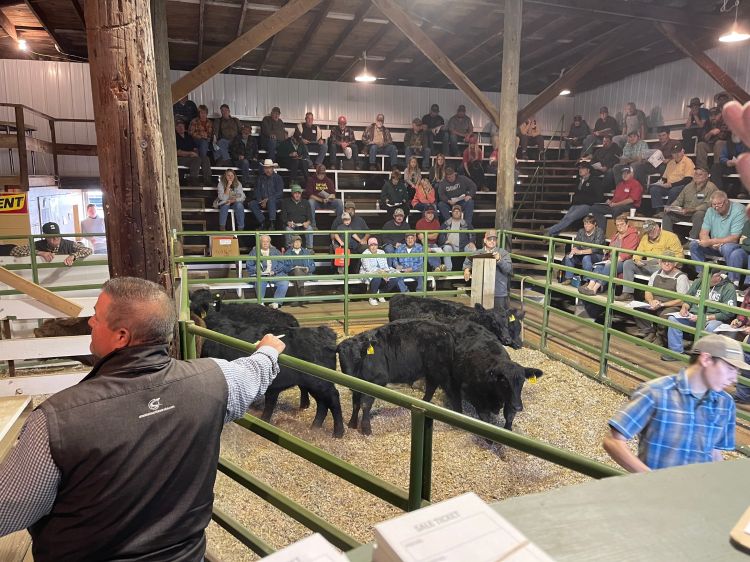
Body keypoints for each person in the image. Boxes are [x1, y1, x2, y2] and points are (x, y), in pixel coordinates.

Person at [0, 276, 284, 560]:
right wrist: (269, 350)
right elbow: (253, 372)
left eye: (97, 317)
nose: (90, 323)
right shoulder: (215, 380)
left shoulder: (55, 421)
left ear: (121, 337)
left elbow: (7, 513)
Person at [603, 333, 739, 472]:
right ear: (706, 359)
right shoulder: (655, 391)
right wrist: (652, 480)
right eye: (730, 368)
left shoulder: (725, 403)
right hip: (656, 490)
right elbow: (613, 441)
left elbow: (714, 452)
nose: (734, 379)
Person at [664, 271, 737, 359]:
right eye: (703, 276)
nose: (704, 279)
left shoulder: (728, 287)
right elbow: (688, 299)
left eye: (707, 277)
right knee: (673, 319)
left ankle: (701, 358)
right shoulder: (699, 281)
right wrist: (685, 307)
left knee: (711, 327)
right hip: (693, 315)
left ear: (718, 276)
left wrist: (704, 318)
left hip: (712, 319)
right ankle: (675, 352)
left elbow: (728, 313)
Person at [615, 220, 683, 303]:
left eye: (652, 230)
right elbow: (637, 254)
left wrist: (664, 262)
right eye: (648, 232)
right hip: (648, 264)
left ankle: (659, 298)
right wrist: (637, 260)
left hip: (664, 264)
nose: (650, 233)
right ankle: (627, 293)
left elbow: (679, 256)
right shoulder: (645, 237)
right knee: (628, 263)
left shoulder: (670, 237)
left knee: (661, 267)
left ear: (657, 227)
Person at [689, 190, 746, 284]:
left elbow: (735, 237)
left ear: (726, 201)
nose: (716, 207)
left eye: (719, 204)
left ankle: (732, 282)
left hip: (733, 245)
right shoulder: (710, 211)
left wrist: (712, 242)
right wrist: (706, 241)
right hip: (715, 245)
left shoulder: (739, 210)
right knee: (694, 244)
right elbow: (703, 233)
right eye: (713, 204)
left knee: (727, 247)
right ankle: (702, 276)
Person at [633, 251, 690, 344]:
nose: (667, 264)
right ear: (659, 262)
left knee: (664, 316)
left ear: (675, 263)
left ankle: (661, 337)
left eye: (670, 261)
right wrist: (651, 301)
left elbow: (682, 300)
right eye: (664, 261)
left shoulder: (681, 277)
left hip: (671, 305)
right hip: (656, 302)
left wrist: (662, 304)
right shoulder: (656, 274)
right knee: (638, 308)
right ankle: (649, 332)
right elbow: (648, 291)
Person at [578, 214, 639, 296]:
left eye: (622, 224)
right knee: (599, 266)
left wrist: (614, 259)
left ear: (627, 224)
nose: (619, 227)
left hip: (623, 261)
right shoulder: (616, 235)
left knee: (608, 266)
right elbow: (611, 248)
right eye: (617, 225)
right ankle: (589, 287)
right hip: (611, 259)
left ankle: (595, 289)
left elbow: (629, 252)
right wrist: (607, 252)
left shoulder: (633, 235)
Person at [546, 161, 604, 236]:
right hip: (576, 204)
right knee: (565, 218)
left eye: (582, 168)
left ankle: (549, 231)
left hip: (586, 205)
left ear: (588, 170)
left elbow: (599, 196)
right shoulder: (579, 180)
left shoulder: (595, 181)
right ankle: (552, 234)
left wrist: (587, 201)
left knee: (570, 218)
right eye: (579, 168)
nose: (580, 170)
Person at [660, 166, 718, 240]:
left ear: (707, 176)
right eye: (696, 174)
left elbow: (708, 205)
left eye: (700, 174)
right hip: (686, 213)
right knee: (667, 215)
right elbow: (679, 200)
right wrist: (671, 207)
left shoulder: (711, 187)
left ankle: (692, 240)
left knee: (700, 214)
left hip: (699, 215)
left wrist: (692, 209)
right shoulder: (688, 186)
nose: (697, 176)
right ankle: (669, 240)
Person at [463, 229, 512, 312]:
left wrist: (499, 260)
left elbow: (508, 269)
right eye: (490, 239)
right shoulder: (478, 253)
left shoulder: (503, 253)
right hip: (480, 291)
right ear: (485, 240)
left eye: (494, 239)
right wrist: (466, 269)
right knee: (480, 316)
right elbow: (468, 261)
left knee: (500, 317)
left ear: (497, 241)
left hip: (498, 292)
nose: (492, 241)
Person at [11, 222, 92, 266]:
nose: (55, 238)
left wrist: (74, 256)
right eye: (51, 236)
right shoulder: (38, 245)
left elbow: (88, 250)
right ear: (45, 236)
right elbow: (15, 250)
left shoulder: (69, 244)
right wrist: (39, 252)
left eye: (57, 235)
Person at [360, 237, 408, 305]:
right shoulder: (365, 254)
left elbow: (385, 266)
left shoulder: (381, 252)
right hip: (369, 273)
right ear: (368, 246)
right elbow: (368, 269)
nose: (373, 247)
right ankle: (372, 297)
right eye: (371, 245)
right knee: (377, 278)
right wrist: (381, 272)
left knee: (395, 278)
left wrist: (385, 273)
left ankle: (380, 293)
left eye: (375, 245)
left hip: (382, 272)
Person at [246, 234, 290, 308]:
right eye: (263, 241)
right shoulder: (254, 252)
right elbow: (249, 265)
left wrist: (274, 271)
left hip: (274, 274)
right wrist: (257, 271)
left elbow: (281, 263)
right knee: (260, 282)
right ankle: (261, 302)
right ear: (260, 242)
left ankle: (276, 303)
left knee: (284, 282)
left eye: (267, 241)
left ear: (270, 242)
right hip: (261, 275)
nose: (265, 243)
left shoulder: (275, 251)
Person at [650, 144, 695, 216]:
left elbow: (688, 179)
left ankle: (668, 211)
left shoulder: (688, 161)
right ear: (671, 154)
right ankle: (659, 210)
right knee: (654, 189)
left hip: (682, 186)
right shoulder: (670, 163)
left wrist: (671, 185)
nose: (676, 155)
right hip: (669, 185)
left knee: (673, 191)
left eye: (678, 152)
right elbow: (664, 178)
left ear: (682, 152)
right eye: (674, 153)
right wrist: (660, 183)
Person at [561, 215, 604, 285]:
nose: (586, 226)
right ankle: (568, 278)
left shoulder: (599, 232)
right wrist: (574, 250)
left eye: (589, 224)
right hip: (582, 254)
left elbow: (596, 249)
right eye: (585, 224)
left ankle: (587, 281)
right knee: (568, 257)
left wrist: (581, 252)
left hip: (596, 255)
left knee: (586, 258)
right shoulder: (581, 231)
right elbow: (576, 244)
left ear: (594, 224)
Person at [722, 101, 750, 196]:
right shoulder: (729, 142)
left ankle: (744, 192)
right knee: (715, 167)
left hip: (745, 165)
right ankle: (720, 193)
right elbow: (722, 156)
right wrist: (727, 161)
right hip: (732, 166)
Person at [438, 204, 475, 271]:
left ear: (461, 213)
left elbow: (472, 234)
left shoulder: (466, 223)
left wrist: (471, 242)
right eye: (455, 211)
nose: (457, 212)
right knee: (446, 248)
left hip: (463, 246)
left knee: (473, 249)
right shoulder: (446, 224)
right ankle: (448, 270)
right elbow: (440, 236)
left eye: (458, 211)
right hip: (450, 246)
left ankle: (466, 268)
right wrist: (444, 241)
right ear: (452, 213)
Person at [304, 164, 343, 228]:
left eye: (323, 174)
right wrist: (321, 200)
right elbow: (310, 195)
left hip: (328, 202)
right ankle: (313, 226)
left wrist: (330, 198)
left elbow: (333, 194)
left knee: (339, 202)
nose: (322, 176)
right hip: (317, 203)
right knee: (310, 202)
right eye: (320, 174)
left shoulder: (328, 180)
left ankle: (339, 226)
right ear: (316, 172)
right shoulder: (311, 180)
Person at [249, 159, 284, 229]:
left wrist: (267, 199)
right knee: (252, 203)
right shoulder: (260, 178)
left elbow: (280, 193)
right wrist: (260, 201)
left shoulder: (278, 178)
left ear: (273, 168)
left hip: (275, 202)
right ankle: (263, 223)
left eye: (269, 168)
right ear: (264, 169)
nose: (268, 170)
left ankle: (272, 224)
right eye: (266, 168)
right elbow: (256, 191)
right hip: (263, 201)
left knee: (271, 201)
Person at [176, 121, 212, 186]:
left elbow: (195, 148)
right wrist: (190, 153)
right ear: (176, 128)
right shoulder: (175, 137)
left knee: (205, 158)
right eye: (179, 127)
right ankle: (193, 180)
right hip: (180, 158)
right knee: (196, 160)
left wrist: (195, 153)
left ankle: (208, 180)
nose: (181, 128)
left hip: (191, 157)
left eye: (182, 126)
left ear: (184, 128)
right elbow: (178, 152)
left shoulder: (188, 137)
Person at [415, 205, 448, 271]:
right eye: (428, 213)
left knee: (436, 249)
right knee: (428, 250)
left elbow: (435, 236)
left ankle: (436, 268)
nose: (431, 215)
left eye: (432, 213)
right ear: (425, 214)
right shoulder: (419, 223)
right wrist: (426, 246)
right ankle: (438, 267)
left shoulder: (436, 222)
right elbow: (421, 238)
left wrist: (425, 235)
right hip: (422, 244)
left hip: (433, 244)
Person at [281, 184, 313, 249]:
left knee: (309, 228)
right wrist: (288, 223)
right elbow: (283, 217)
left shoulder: (306, 202)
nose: (297, 195)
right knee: (288, 230)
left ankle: (310, 249)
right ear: (292, 193)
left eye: (299, 193)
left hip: (302, 226)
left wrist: (307, 223)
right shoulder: (285, 202)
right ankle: (289, 249)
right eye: (295, 193)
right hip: (291, 226)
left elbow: (310, 218)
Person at [286, 235, 315, 306]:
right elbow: (284, 267)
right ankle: (302, 297)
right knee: (297, 271)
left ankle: (298, 299)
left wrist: (308, 269)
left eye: (299, 242)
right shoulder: (288, 253)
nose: (297, 243)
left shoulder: (306, 252)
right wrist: (292, 268)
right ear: (292, 243)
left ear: (301, 243)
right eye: (295, 242)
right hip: (292, 273)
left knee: (298, 273)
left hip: (305, 273)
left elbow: (313, 266)